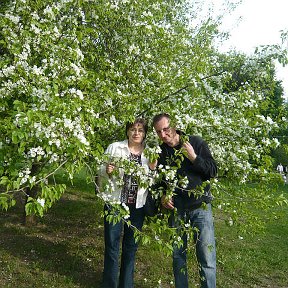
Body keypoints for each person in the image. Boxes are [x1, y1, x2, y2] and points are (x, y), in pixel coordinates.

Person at [152, 113, 217, 288]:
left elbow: (212, 170)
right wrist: (163, 197)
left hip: (200, 208)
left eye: (166, 129)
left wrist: (194, 158)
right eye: (159, 132)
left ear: (175, 126)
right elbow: (158, 182)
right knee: (178, 256)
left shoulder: (195, 142)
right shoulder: (161, 152)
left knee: (206, 257)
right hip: (177, 210)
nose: (163, 135)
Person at [99, 118, 151, 288]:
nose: (136, 133)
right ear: (127, 131)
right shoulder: (115, 147)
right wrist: (107, 171)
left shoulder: (150, 153)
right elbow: (100, 170)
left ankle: (126, 285)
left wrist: (153, 168)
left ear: (145, 134)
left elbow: (153, 181)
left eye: (140, 130)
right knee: (112, 245)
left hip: (137, 207)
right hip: (114, 203)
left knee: (131, 248)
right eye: (133, 129)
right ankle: (110, 284)